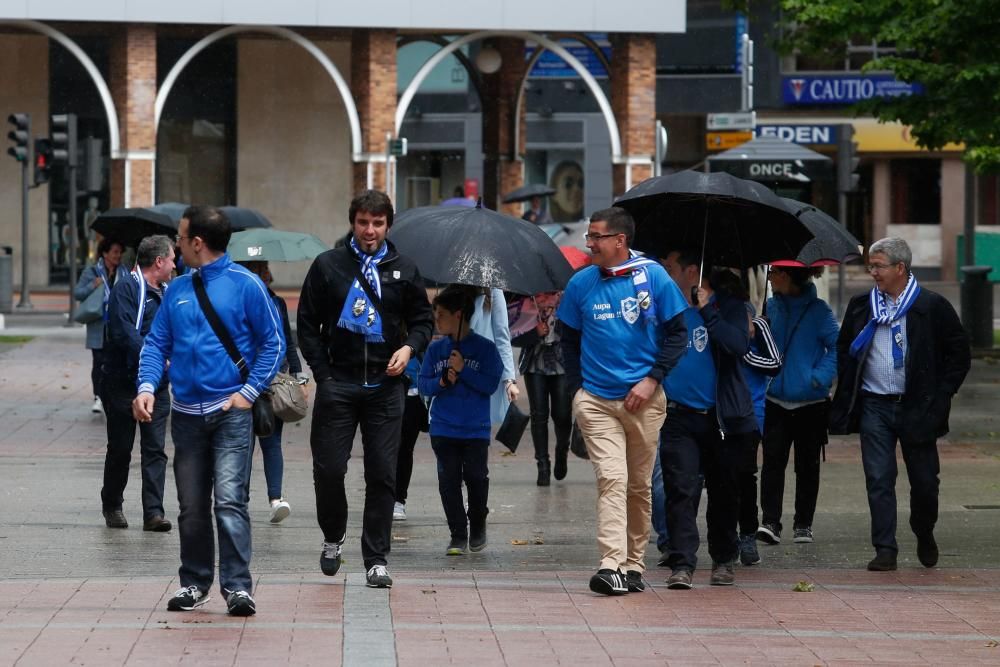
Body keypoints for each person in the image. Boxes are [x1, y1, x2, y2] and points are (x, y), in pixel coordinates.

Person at [134, 205, 284, 617]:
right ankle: (194, 583)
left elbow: (273, 344)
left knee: (230, 502)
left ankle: (237, 587)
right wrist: (146, 387)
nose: (177, 245)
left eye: (181, 238)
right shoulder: (179, 290)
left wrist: (249, 393)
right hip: (185, 416)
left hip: (231, 412)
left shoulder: (246, 285)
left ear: (197, 243)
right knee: (192, 505)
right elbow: (155, 344)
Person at [297, 189, 434, 589]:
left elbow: (424, 321)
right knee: (328, 469)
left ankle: (376, 558)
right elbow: (307, 324)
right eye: (362, 222)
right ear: (352, 223)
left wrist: (409, 349)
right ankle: (332, 536)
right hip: (338, 383)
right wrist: (323, 373)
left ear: (388, 225)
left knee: (382, 474)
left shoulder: (404, 269)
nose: (369, 231)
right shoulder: (329, 266)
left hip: (385, 387)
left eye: (377, 223)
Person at [556, 207, 688, 596]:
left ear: (620, 241)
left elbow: (677, 334)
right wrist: (580, 389)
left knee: (638, 486)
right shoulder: (581, 284)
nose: (590, 244)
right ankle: (610, 564)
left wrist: (652, 380)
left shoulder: (654, 277)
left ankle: (633, 565)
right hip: (597, 402)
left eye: (596, 237)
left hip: (644, 402)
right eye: (589, 237)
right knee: (612, 478)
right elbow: (568, 339)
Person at [830, 237, 970, 571]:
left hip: (917, 407)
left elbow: (958, 355)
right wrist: (850, 385)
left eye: (878, 265)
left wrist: (941, 396)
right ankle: (885, 548)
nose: (872, 271)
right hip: (875, 405)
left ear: (900, 268)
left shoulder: (932, 306)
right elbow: (844, 347)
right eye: (871, 265)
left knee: (925, 483)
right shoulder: (862, 306)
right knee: (878, 477)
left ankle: (924, 531)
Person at [659, 252, 755, 590]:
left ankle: (724, 559)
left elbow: (738, 345)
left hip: (722, 418)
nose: (665, 274)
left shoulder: (729, 305)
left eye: (669, 268)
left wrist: (708, 311)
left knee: (724, 492)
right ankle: (682, 562)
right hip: (678, 416)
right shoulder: (665, 304)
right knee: (680, 489)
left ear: (691, 271)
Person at [756, 265, 838, 547]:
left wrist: (820, 377)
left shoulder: (819, 311)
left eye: (775, 271)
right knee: (772, 463)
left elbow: (837, 347)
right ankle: (770, 522)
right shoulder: (769, 309)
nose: (770, 276)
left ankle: (804, 524)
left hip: (811, 403)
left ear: (788, 276)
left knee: (808, 465)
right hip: (774, 401)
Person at [99, 234, 175, 531]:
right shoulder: (126, 289)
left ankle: (153, 513)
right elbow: (123, 332)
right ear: (159, 261)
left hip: (157, 386)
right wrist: (154, 357)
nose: (174, 264)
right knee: (120, 447)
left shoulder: (168, 293)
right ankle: (112, 504)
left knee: (155, 449)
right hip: (122, 382)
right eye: (171, 259)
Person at [418, 287, 503, 555]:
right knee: (448, 481)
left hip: (475, 428)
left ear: (459, 314)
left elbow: (490, 384)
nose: (437, 321)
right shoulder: (436, 350)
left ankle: (478, 521)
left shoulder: (485, 349)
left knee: (477, 478)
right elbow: (423, 384)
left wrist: (464, 370)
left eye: (441, 315)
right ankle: (457, 533)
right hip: (443, 427)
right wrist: (444, 380)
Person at [238, 260, 309, 524]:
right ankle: (240, 501)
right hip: (244, 382)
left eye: (266, 268)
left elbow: (288, 343)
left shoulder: (277, 303)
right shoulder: (239, 302)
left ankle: (276, 499)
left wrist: (298, 375)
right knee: (243, 444)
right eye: (263, 268)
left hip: (274, 382)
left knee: (271, 439)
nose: (269, 273)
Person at [737, 301, 782, 566]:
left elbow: (775, 363)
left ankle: (747, 535)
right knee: (722, 477)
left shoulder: (760, 325)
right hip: (719, 411)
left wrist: (744, 352)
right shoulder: (715, 324)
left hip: (752, 412)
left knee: (745, 475)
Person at [512, 292, 571, 486]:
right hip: (534, 364)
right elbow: (511, 333)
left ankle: (562, 450)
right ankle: (542, 465)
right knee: (539, 415)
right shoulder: (526, 302)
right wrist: (534, 333)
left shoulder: (567, 299)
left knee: (562, 415)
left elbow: (578, 330)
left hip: (561, 364)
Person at [74, 236, 128, 414]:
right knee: (98, 361)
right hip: (98, 324)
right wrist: (92, 285)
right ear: (105, 253)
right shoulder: (92, 272)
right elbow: (78, 293)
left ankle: (110, 394)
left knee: (114, 361)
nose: (118, 255)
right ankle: (97, 396)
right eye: (115, 252)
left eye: (120, 252)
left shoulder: (124, 271)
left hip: (117, 325)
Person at [392, 355, 428, 522]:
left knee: (405, 449)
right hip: (388, 391)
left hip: (417, 395)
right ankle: (390, 498)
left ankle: (398, 499)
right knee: (387, 449)